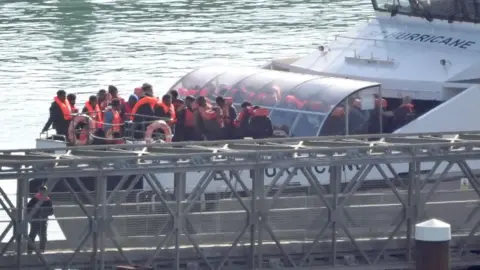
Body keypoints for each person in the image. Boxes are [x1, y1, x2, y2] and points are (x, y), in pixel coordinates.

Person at [27, 186, 54, 254]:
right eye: (42, 190)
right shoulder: (35, 199)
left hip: (42, 220)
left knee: (42, 236)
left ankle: (41, 251)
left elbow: (51, 212)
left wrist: (42, 213)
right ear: (39, 190)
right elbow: (28, 209)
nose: (42, 192)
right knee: (33, 235)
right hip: (36, 220)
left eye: (44, 191)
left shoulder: (47, 200)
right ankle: (30, 251)